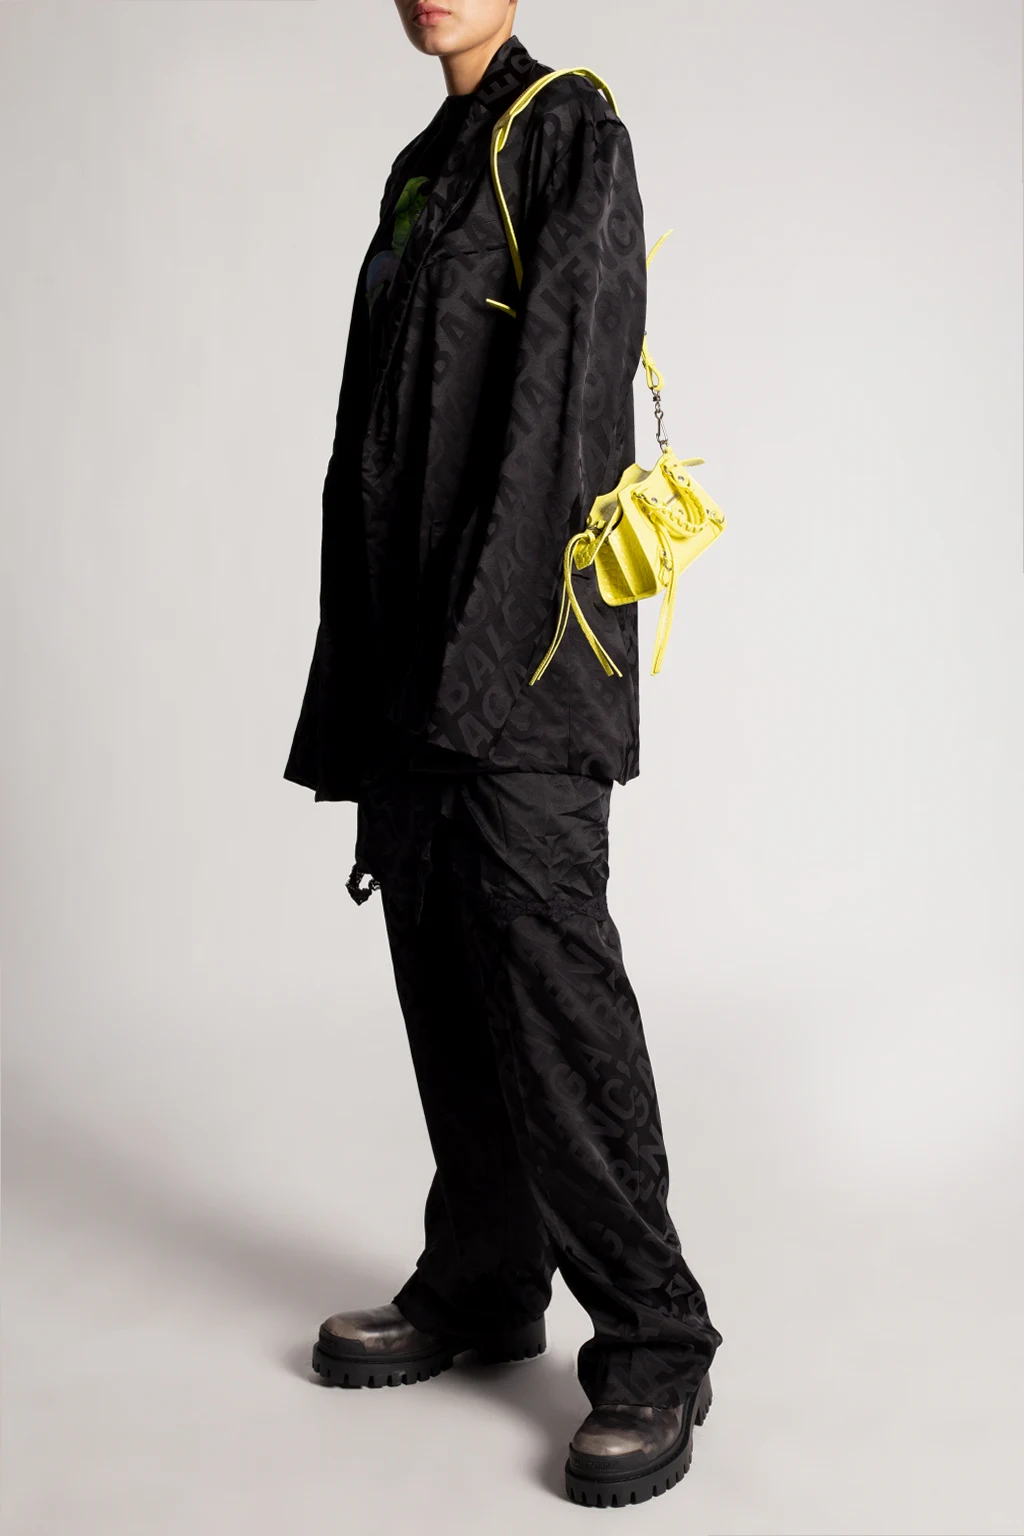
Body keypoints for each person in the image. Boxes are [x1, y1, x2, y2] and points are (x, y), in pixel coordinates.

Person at [283, 0, 722, 1507]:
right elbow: (373, 448)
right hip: (412, 664)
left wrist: (477, 678)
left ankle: (655, 1338)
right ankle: (483, 1276)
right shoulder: (423, 167)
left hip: (520, 666)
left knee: (548, 989)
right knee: (443, 974)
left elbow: (564, 422)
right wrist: (375, 677)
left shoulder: (570, 132)